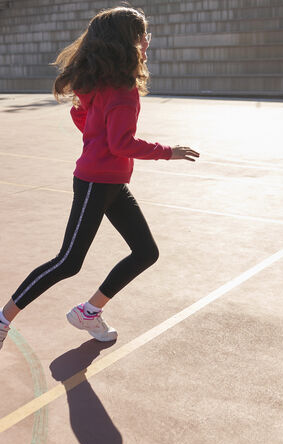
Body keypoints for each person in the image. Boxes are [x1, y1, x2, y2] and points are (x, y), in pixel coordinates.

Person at [0, 6, 200, 350]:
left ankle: (89, 312)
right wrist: (169, 151)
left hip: (110, 182)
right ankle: (3, 318)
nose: (147, 42)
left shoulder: (102, 81)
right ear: (132, 42)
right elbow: (121, 142)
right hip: (95, 181)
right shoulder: (122, 91)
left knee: (145, 252)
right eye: (144, 36)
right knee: (68, 261)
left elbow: (81, 114)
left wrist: (95, 136)